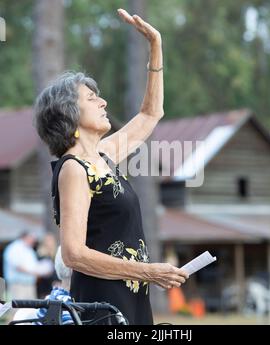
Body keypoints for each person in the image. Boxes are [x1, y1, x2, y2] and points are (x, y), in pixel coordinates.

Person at [33, 9, 189, 325]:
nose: (103, 103)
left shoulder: (102, 156)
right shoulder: (74, 169)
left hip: (131, 296)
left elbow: (150, 114)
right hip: (102, 304)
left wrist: (155, 45)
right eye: (92, 99)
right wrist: (149, 271)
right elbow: (73, 253)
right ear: (69, 114)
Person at [3, 231, 53, 300]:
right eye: (32, 238)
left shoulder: (29, 249)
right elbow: (17, 266)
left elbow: (33, 266)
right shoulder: (14, 248)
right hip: (18, 284)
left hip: (29, 284)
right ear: (26, 237)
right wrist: (35, 272)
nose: (34, 241)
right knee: (18, 308)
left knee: (30, 308)